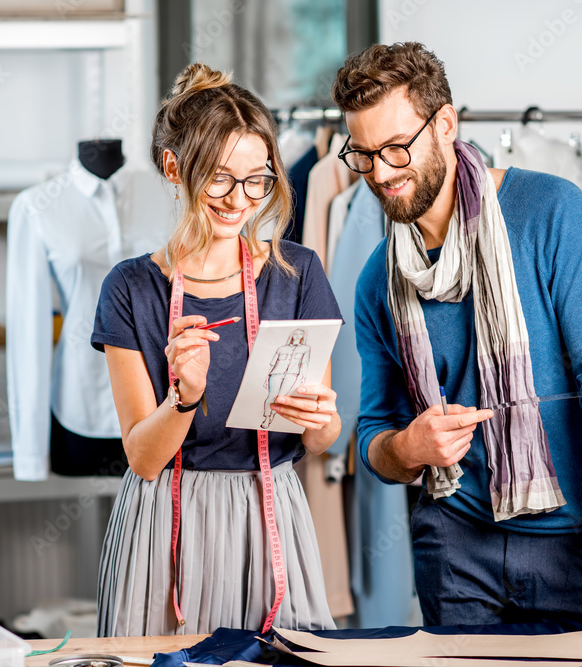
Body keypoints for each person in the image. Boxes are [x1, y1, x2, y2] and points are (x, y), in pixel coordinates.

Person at [333, 42, 582, 647]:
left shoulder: (552, 213)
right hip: (455, 546)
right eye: (363, 154)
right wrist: (407, 445)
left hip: (578, 545)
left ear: (447, 124)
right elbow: (373, 439)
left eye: (396, 148)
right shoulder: (377, 279)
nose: (380, 172)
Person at [91, 63, 342, 637]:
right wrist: (185, 397)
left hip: (271, 511)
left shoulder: (298, 274)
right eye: (220, 178)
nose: (241, 200)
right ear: (175, 167)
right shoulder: (131, 289)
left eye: (258, 179)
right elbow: (144, 459)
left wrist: (322, 420)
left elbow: (323, 439)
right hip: (164, 528)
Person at [262, 329, 310, 430]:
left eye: (300, 333)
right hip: (276, 373)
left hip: (292, 375)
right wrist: (266, 377)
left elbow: (304, 363)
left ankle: (272, 416)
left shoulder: (306, 348)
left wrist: (303, 377)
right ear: (292, 335)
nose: (298, 335)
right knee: (271, 396)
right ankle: (267, 417)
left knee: (281, 398)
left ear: (303, 336)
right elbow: (272, 364)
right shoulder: (281, 349)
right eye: (296, 333)